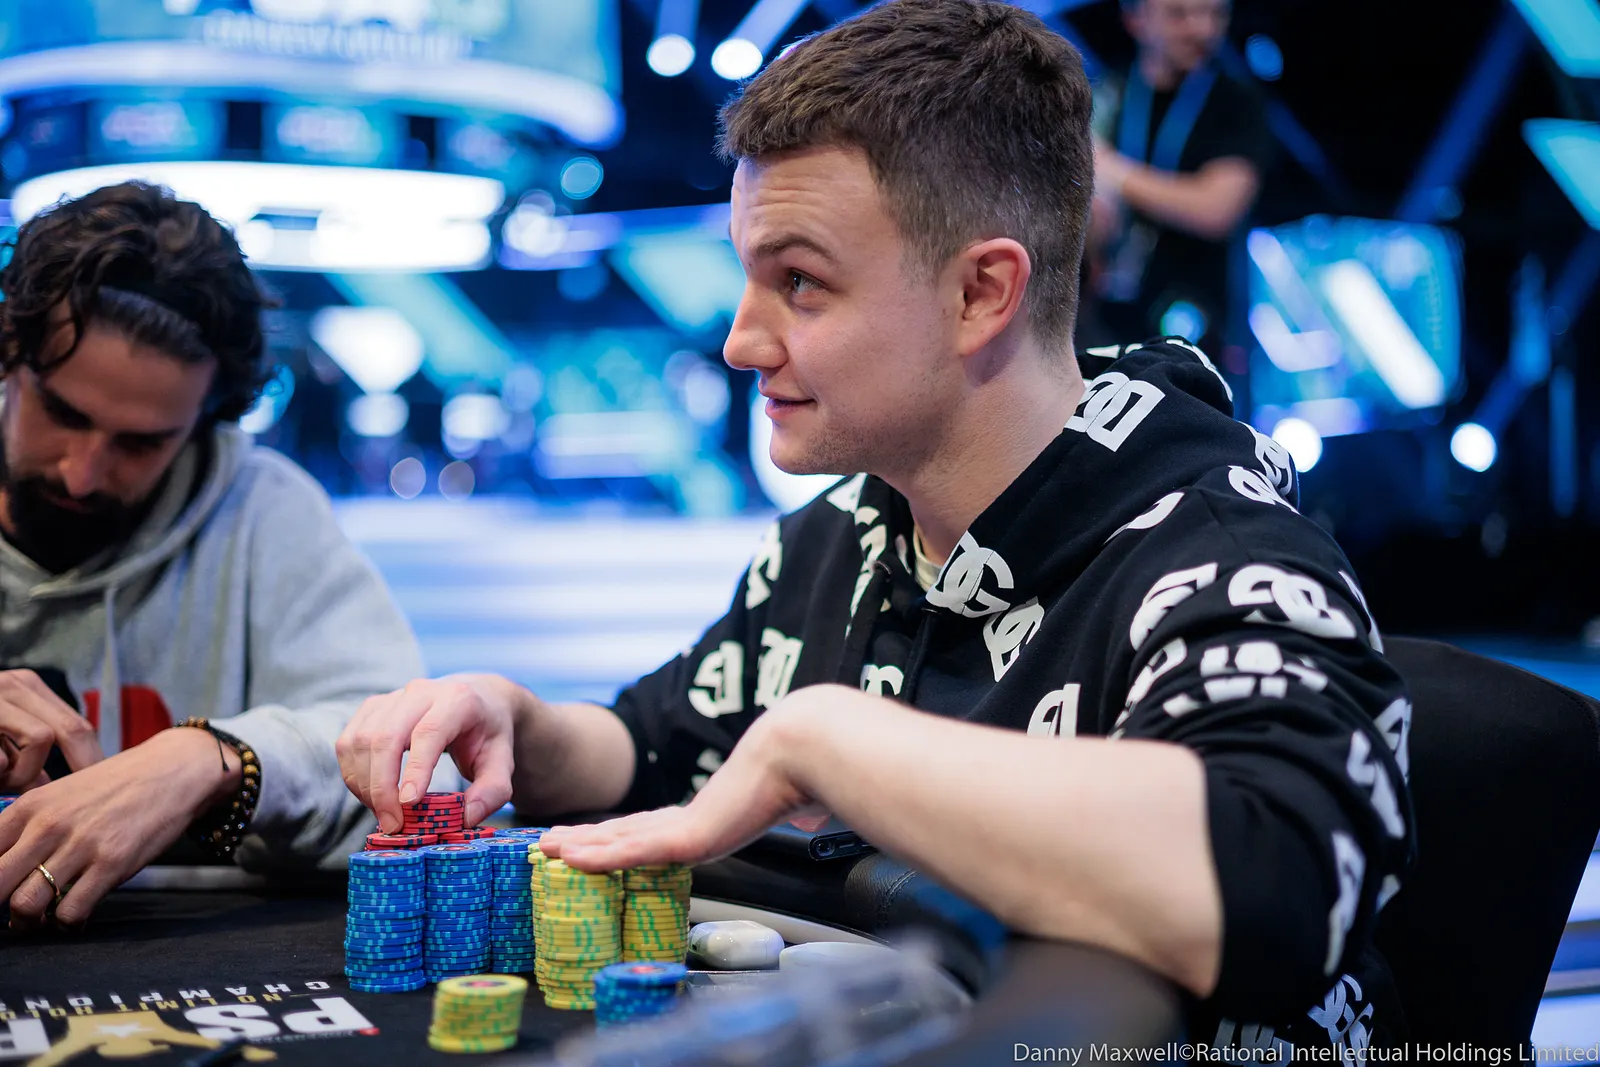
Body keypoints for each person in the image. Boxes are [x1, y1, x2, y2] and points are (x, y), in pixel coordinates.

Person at [337, 0, 1410, 1052]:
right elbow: (663, 746)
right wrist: (519, 721)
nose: (740, 342)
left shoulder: (1223, 550)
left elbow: (1275, 877)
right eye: (749, 276)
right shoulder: (844, 533)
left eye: (800, 282)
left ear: (980, 294)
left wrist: (824, 740)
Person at [0, 181, 429, 927]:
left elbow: (420, 768)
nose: (82, 472)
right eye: (62, 413)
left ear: (208, 419)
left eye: (141, 443)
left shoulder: (264, 511)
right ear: (8, 356)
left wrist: (215, 759)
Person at [1087, 0, 1270, 358]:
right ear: (1135, 19)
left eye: (1214, 14)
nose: (1202, 29)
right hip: (1105, 316)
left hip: (1197, 329)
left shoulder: (1236, 102)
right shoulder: (1108, 93)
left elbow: (1216, 211)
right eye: (1179, 14)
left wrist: (1111, 170)